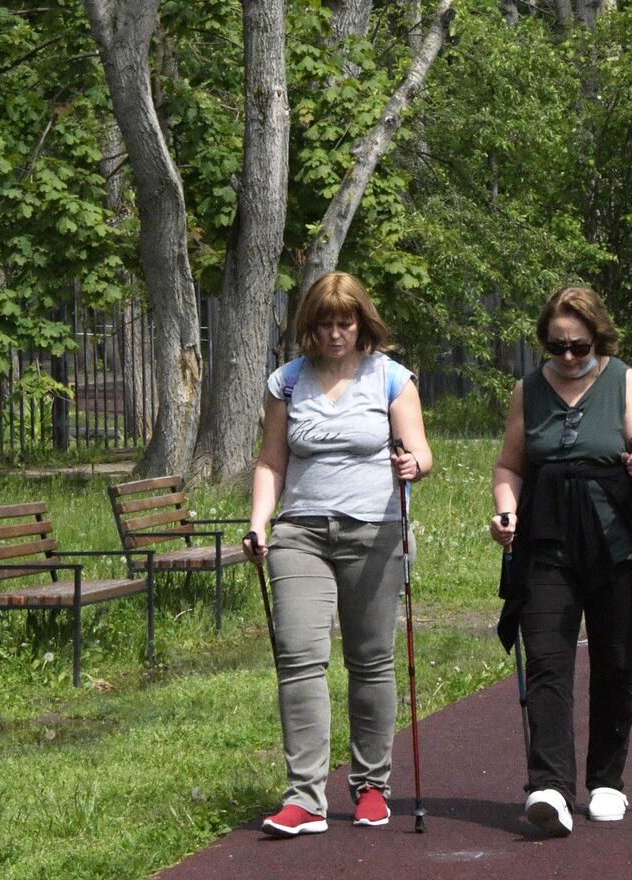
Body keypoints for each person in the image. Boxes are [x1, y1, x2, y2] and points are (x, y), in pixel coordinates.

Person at [489, 285, 632, 837]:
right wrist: (505, 511)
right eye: (557, 346)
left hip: (614, 537)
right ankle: (550, 787)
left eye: (579, 346)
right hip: (545, 537)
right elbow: (510, 466)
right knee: (546, 659)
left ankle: (607, 780)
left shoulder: (623, 380)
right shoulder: (528, 390)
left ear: (598, 338)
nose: (567, 357)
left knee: (614, 660)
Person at [243, 271, 433, 837]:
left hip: (375, 533)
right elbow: (271, 462)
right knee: (299, 657)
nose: (334, 332)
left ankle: (372, 786)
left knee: (371, 662)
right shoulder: (287, 382)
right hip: (300, 533)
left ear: (362, 323)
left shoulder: (391, 379)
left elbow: (420, 451)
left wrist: (412, 465)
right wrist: (259, 523)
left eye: (344, 321)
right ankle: (304, 796)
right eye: (324, 322)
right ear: (310, 327)